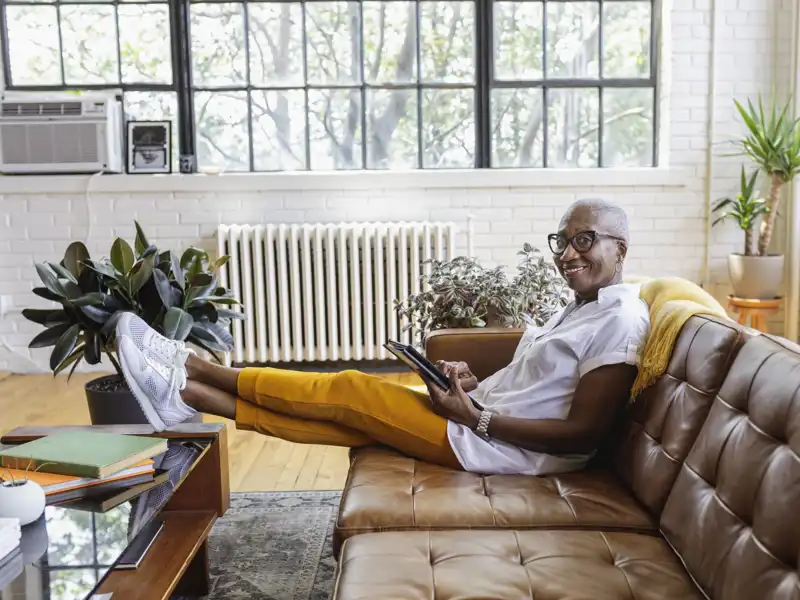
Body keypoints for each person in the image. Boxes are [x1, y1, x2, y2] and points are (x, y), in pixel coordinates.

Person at [115, 198, 650, 476]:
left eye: (585, 240)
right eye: (563, 240)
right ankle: (190, 394)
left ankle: (192, 369)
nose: (568, 253)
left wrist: (475, 416)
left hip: (500, 450)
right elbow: (540, 387)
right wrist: (475, 381)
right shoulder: (582, 308)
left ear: (620, 250)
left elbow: (583, 434)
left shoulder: (618, 321)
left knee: (350, 390)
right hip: (481, 424)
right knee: (351, 419)